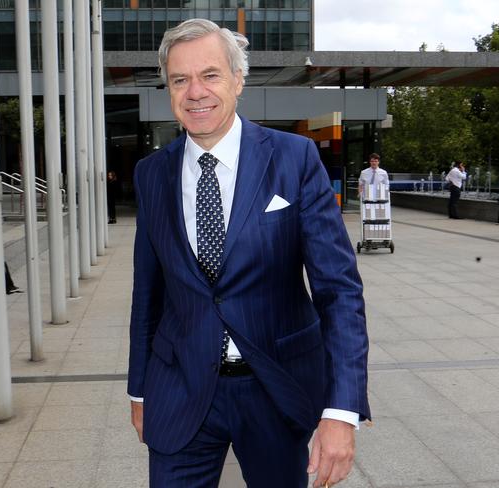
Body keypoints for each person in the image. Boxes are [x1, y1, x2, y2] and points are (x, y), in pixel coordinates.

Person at [128, 19, 369, 488]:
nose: (195, 91)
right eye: (180, 79)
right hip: (179, 389)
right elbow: (148, 295)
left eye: (210, 75)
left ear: (238, 79)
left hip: (277, 388)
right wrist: (139, 390)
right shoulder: (151, 174)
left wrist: (342, 409)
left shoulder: (294, 158)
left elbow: (338, 291)